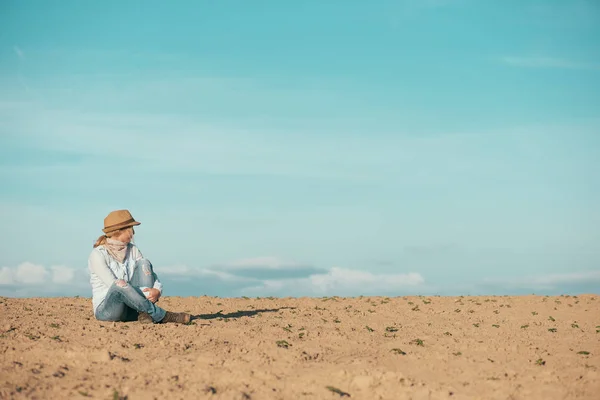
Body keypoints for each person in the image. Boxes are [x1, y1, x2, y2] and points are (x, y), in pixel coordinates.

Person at [88, 209, 191, 324]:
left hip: (131, 307)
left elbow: (150, 274)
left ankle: (145, 313)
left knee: (144, 263)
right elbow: (114, 286)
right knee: (119, 284)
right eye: (131, 229)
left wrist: (157, 290)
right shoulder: (97, 254)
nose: (133, 233)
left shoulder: (133, 250)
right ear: (119, 231)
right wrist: (147, 293)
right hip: (107, 310)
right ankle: (163, 315)